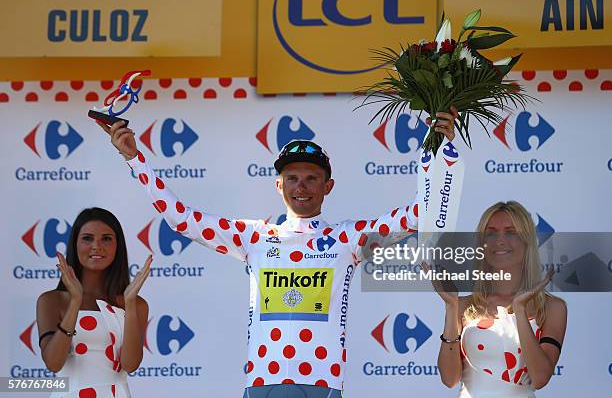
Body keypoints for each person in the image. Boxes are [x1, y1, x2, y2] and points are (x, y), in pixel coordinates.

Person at [96, 109, 457, 397]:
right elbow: (180, 219)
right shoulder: (253, 236)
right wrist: (136, 159)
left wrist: (437, 150)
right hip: (261, 383)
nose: (302, 187)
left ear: (328, 186)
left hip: (322, 382)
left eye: (312, 178)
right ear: (278, 184)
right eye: (293, 179)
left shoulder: (348, 238)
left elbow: (418, 214)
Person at [427, 201, 567, 397]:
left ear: (527, 241)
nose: (499, 240)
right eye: (491, 233)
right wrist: (451, 307)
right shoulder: (463, 305)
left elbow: (540, 378)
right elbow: (449, 379)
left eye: (511, 232)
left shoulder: (553, 307)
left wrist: (519, 310)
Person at [36, 207, 152, 398]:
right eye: (87, 238)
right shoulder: (51, 301)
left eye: (106, 238)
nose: (96, 246)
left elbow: (130, 365)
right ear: (75, 244)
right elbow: (53, 363)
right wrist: (75, 302)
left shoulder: (137, 304)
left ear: (118, 246)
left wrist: (129, 305)